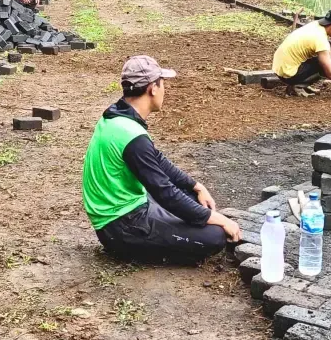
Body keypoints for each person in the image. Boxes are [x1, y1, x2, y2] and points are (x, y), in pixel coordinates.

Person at [82, 56, 243, 264]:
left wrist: (196, 186)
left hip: (127, 209)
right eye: (162, 83)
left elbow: (158, 162)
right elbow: (165, 192)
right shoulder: (133, 137)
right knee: (215, 237)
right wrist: (221, 220)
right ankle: (140, 249)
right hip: (120, 227)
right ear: (153, 88)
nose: (165, 89)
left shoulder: (117, 117)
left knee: (193, 199)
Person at [271, 9, 331, 96]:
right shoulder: (320, 39)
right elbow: (330, 73)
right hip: (288, 74)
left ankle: (302, 83)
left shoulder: (316, 25)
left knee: (329, 60)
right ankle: (298, 85)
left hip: (279, 67)